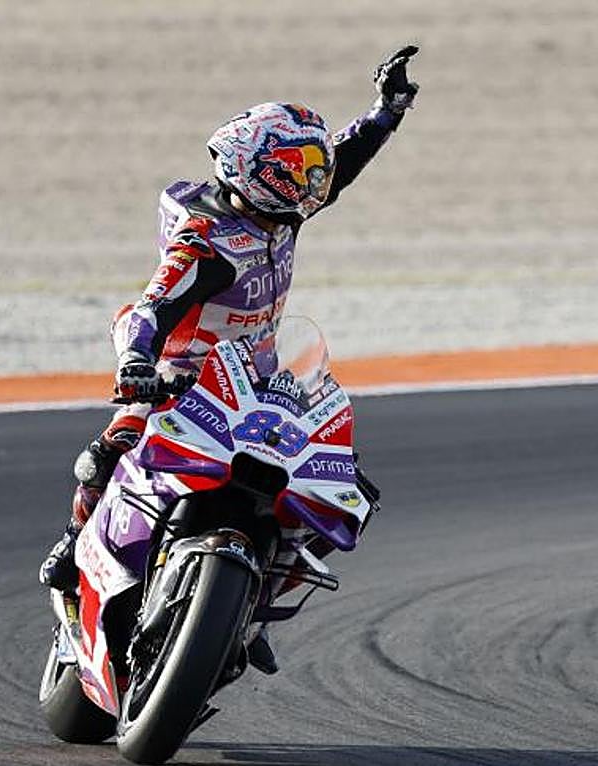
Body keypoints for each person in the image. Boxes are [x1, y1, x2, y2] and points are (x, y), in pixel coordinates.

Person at [39, 46, 419, 611]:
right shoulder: (207, 240)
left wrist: (386, 112)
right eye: (296, 174)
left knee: (342, 491)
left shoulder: (279, 213)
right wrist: (136, 364)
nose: (310, 187)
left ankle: (250, 607)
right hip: (182, 381)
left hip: (259, 381)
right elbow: (150, 307)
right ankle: (76, 545)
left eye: (309, 175)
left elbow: (341, 163)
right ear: (254, 170)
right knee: (110, 451)